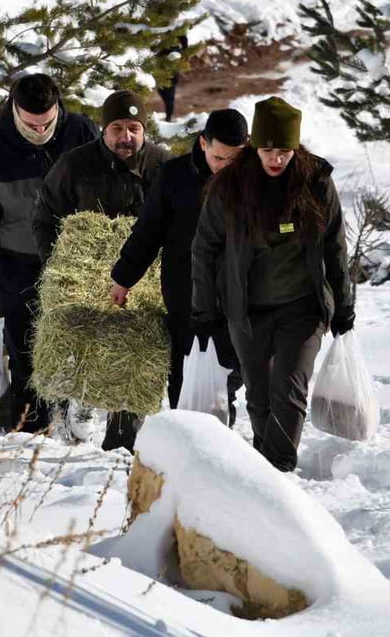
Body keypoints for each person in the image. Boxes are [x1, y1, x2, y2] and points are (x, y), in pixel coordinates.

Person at [191, 96, 354, 472]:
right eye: (268, 150)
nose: (276, 159)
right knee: (259, 397)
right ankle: (265, 473)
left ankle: (278, 468)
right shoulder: (230, 186)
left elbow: (335, 247)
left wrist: (344, 305)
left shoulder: (315, 183)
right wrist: (204, 308)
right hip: (247, 308)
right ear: (254, 146)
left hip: (303, 306)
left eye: (284, 151)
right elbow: (204, 248)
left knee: (289, 387)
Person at [0, 73, 98, 432]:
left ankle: (69, 419)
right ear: (14, 109)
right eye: (31, 124)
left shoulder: (79, 131)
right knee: (23, 348)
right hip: (15, 260)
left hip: (71, 263)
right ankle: (30, 425)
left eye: (47, 123)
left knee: (70, 344)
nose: (40, 130)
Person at [33, 89, 172, 450]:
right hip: (84, 278)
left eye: (133, 128)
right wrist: (61, 264)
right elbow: (46, 216)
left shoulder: (163, 167)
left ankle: (122, 437)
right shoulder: (74, 164)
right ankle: (82, 404)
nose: (126, 137)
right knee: (88, 343)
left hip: (141, 279)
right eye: (117, 129)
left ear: (144, 129)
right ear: (103, 129)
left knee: (134, 351)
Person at [110, 108, 248, 425]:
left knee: (226, 378)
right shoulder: (174, 177)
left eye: (234, 160)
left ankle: (218, 440)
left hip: (237, 294)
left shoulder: (255, 177)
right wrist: (123, 278)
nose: (226, 168)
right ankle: (185, 443)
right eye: (218, 158)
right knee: (184, 376)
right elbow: (149, 231)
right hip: (186, 292)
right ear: (203, 143)